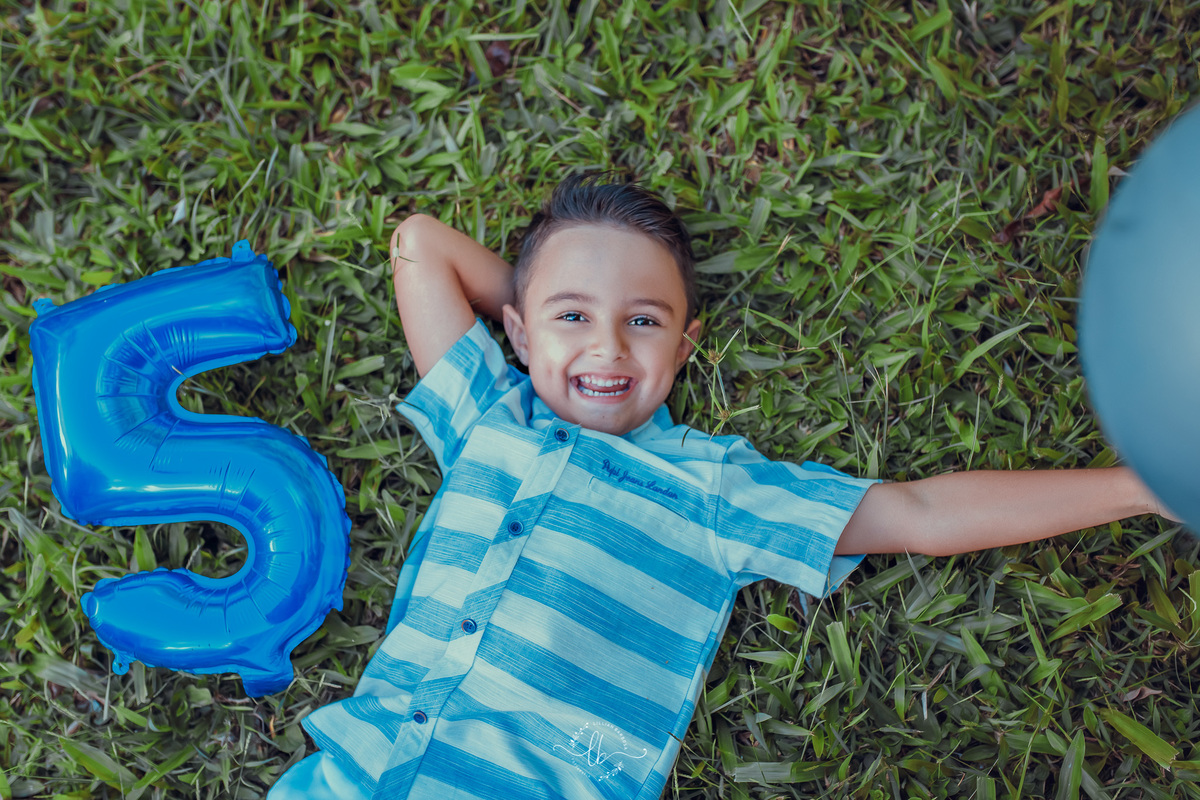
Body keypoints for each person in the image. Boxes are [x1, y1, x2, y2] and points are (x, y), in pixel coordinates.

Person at [268, 172, 1175, 800]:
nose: (608, 348)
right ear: (512, 329)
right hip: (349, 773)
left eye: (644, 321)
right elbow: (418, 244)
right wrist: (538, 328)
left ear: (686, 346)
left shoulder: (714, 487)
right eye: (574, 317)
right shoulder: (490, 420)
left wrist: (1138, 485)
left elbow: (923, 512)